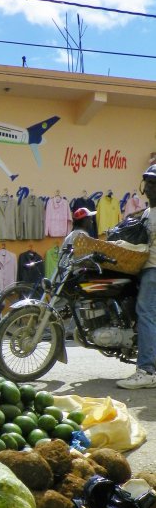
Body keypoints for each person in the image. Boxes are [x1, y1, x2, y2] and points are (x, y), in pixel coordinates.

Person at [117, 165, 156, 389]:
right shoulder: (148, 212)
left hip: (154, 269)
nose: (149, 187)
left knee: (146, 314)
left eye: (154, 183)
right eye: (148, 183)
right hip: (144, 268)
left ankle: (147, 370)